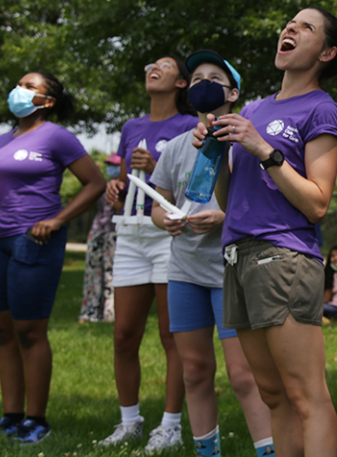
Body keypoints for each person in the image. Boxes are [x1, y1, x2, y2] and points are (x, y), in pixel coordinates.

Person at [195, 7, 337, 457]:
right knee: (273, 395)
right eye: (289, 23)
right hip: (237, 257)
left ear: (326, 51)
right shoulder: (255, 108)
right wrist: (214, 150)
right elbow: (229, 201)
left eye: (306, 27)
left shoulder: (321, 109)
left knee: (307, 395)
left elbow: (317, 202)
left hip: (283, 257)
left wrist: (262, 147)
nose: (290, 29)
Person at [0, 71, 105, 443]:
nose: (19, 90)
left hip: (34, 241)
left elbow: (96, 183)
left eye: (29, 86)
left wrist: (56, 221)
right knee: (4, 331)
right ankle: (11, 416)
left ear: (47, 101)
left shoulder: (56, 136)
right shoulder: (0, 141)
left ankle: (36, 420)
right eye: (19, 84)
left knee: (29, 331)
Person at [150, 49, 276, 457]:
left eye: (214, 78)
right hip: (183, 272)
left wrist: (222, 216)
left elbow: (257, 200)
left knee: (243, 375)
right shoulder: (174, 148)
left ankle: (269, 450)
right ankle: (208, 452)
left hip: (230, 271)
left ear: (233, 93)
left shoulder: (247, 141)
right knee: (195, 372)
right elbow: (158, 203)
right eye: (197, 77)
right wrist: (164, 219)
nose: (203, 82)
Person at [101, 55, 199, 451]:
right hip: (131, 235)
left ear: (181, 84)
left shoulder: (189, 125)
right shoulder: (131, 127)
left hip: (168, 235)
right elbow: (127, 182)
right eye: (150, 65)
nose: (152, 68)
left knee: (170, 335)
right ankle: (129, 423)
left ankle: (171, 426)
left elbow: (195, 179)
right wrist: (116, 189)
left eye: (165, 64)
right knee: (124, 334)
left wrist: (158, 163)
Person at [79, 153, 120, 323]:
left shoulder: (126, 187)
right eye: (108, 164)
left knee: (112, 274)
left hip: (115, 232)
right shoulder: (101, 186)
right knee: (92, 272)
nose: (110, 168)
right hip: (97, 231)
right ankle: (90, 312)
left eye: (114, 165)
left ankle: (110, 313)